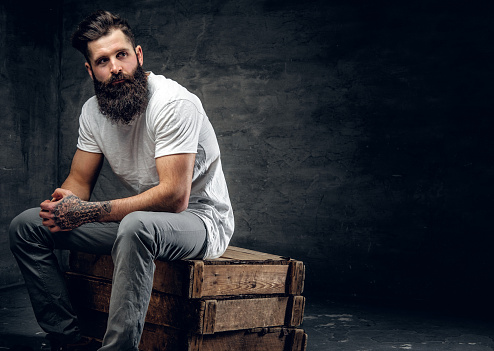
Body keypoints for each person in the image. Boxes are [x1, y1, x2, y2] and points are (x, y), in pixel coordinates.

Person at [9, 10, 234, 351]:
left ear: (138, 56)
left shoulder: (173, 103)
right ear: (90, 70)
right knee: (26, 226)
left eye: (122, 55)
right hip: (143, 220)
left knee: (136, 226)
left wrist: (85, 212)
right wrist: (63, 204)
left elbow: (175, 197)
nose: (115, 68)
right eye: (103, 61)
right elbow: (79, 181)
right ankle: (66, 339)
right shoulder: (92, 112)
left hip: (200, 220)